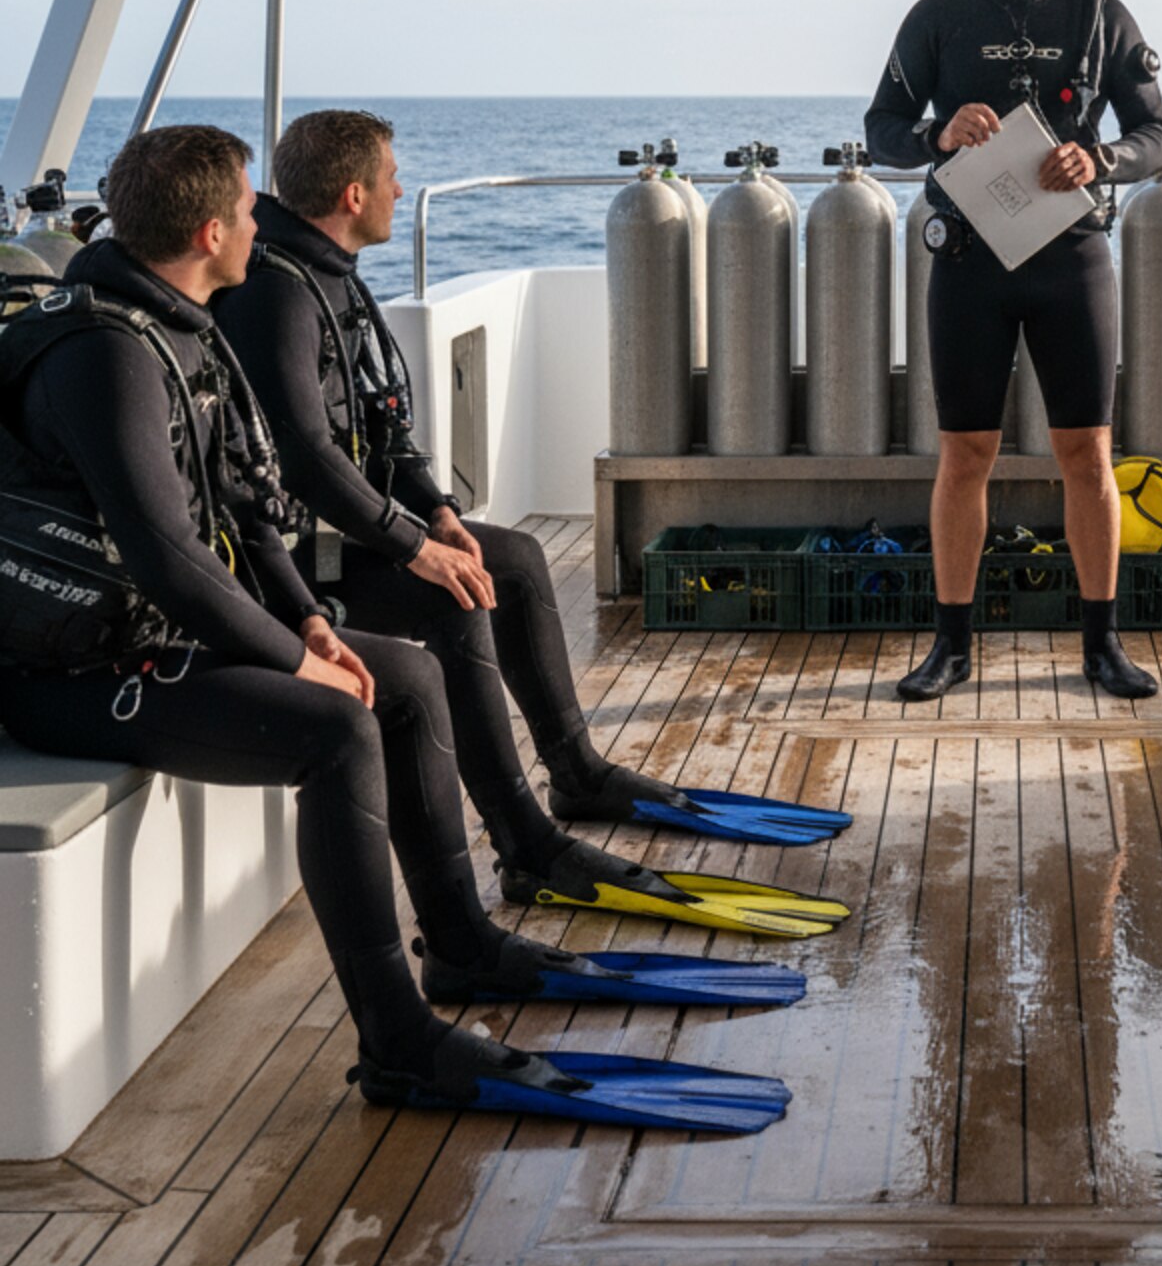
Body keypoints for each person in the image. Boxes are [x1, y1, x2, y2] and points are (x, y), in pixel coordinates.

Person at [0, 126, 794, 1128]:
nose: (260, 224)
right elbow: (169, 556)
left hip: (168, 627)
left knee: (405, 681)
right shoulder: (107, 353)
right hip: (72, 668)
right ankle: (397, 1040)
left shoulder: (178, 319)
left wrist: (307, 623)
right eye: (247, 211)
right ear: (209, 231)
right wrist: (294, 654)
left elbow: (246, 501)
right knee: (335, 732)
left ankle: (462, 941)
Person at [215, 109, 846, 896]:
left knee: (511, 557)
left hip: (339, 532)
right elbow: (307, 459)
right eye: (391, 178)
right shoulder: (278, 294)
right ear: (352, 194)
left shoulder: (326, 273)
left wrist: (437, 511)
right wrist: (414, 547)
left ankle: (575, 771)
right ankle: (522, 841)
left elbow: (381, 420)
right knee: (454, 593)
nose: (402, 188)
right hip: (290, 562)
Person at [865, 0, 1162, 701]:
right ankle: (952, 647)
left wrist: (1100, 156)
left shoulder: (1103, 15)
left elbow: (1158, 138)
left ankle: (1102, 645)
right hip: (969, 258)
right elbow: (882, 127)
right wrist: (936, 135)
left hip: (1071, 260)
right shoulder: (940, 15)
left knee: (1088, 452)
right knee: (965, 453)